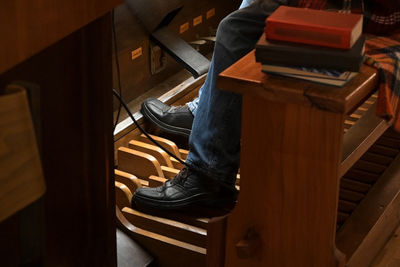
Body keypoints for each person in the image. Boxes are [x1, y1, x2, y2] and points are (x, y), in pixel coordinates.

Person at [133, 0, 400, 210]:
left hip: (367, 11)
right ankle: (207, 113)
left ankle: (209, 174)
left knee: (234, 29)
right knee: (252, 4)